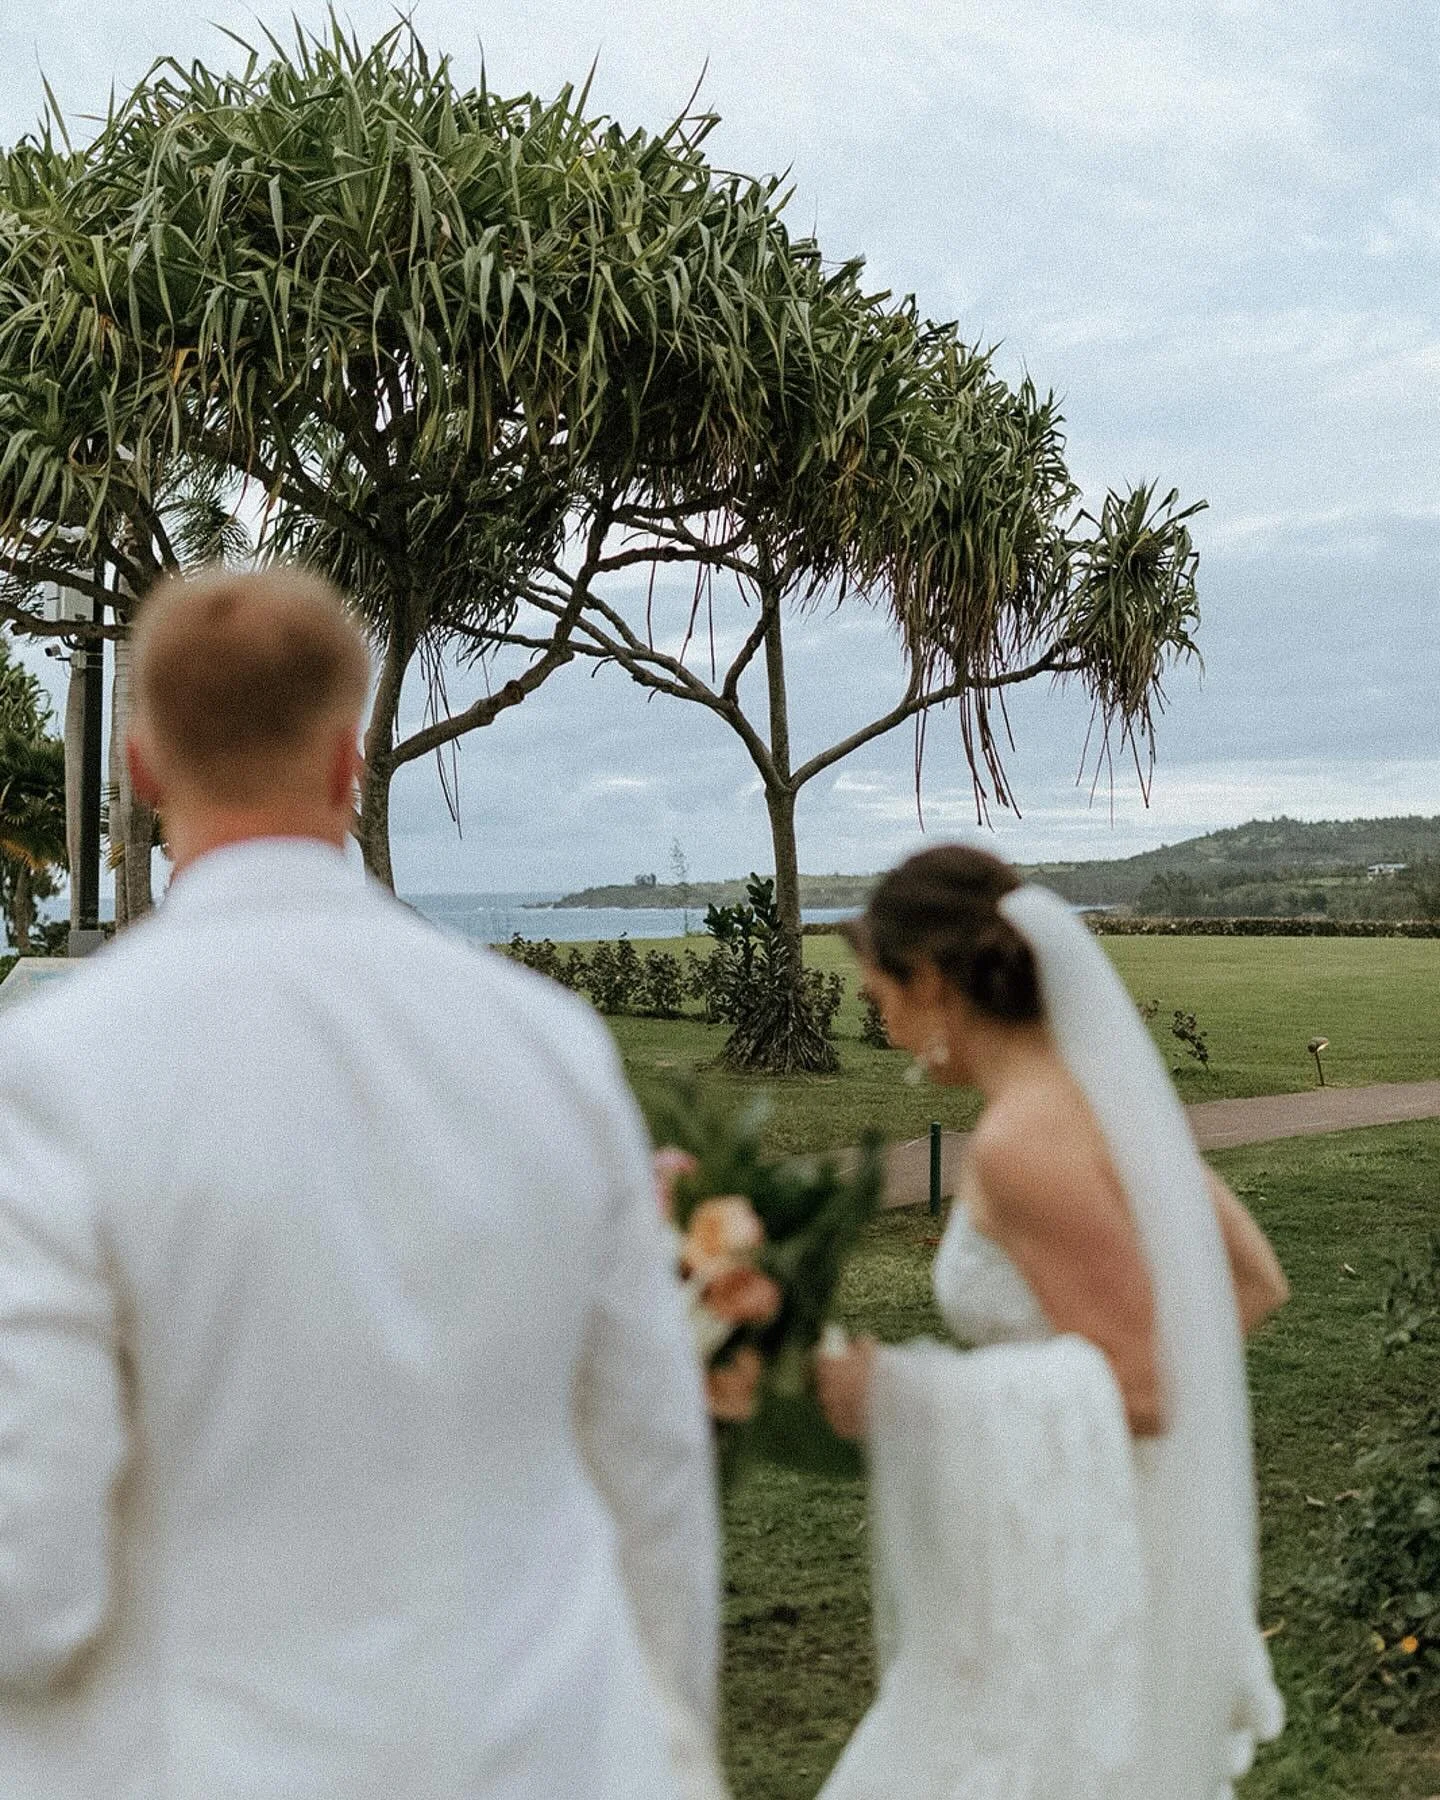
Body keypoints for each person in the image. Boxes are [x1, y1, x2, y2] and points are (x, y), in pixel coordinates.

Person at [0, 566, 724, 1800]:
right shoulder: (551, 1046)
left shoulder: (51, 1078)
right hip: (544, 1753)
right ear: (348, 761)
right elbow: (653, 1471)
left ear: (141, 770)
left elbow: (31, 1585)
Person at [816, 845, 1288, 1799]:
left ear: (935, 981)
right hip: (1095, 1522)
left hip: (1064, 1563)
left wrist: (903, 1392)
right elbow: (1249, 1280)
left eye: (882, 1000)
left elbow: (1147, 1388)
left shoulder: (1021, 1140)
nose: (889, 1030)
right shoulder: (1101, 1109)